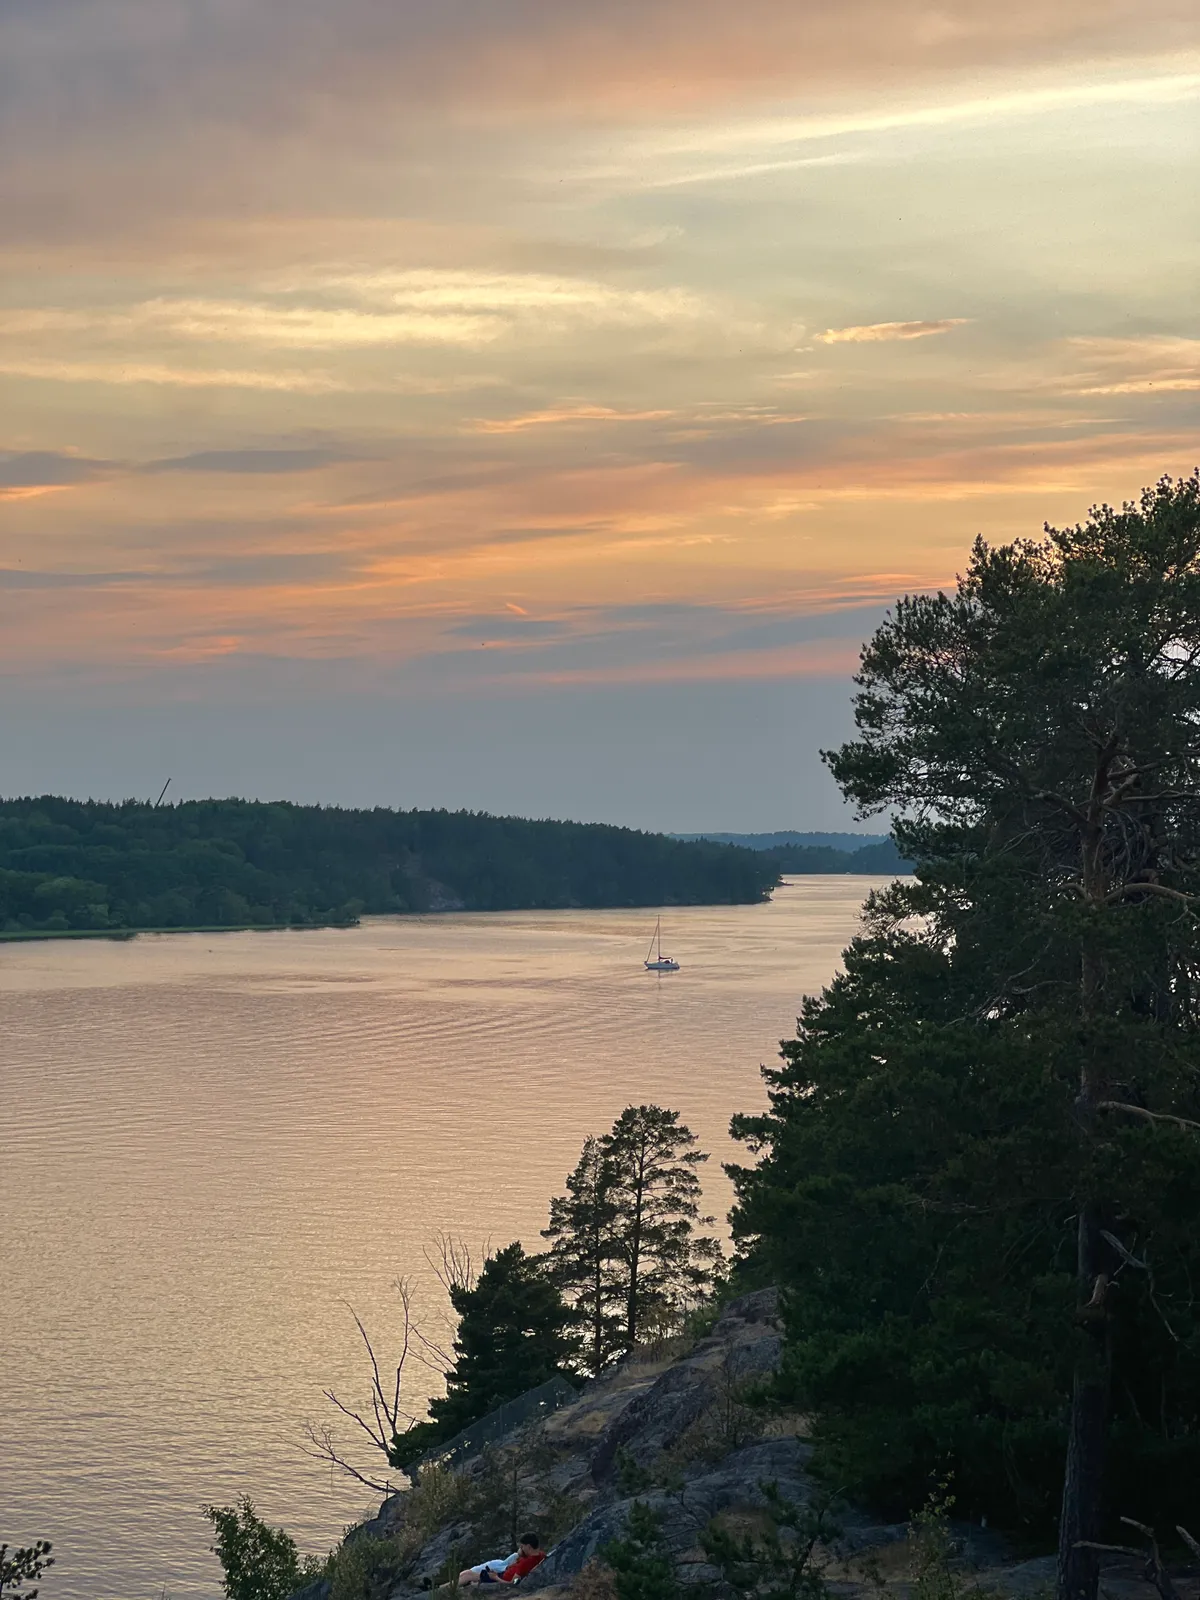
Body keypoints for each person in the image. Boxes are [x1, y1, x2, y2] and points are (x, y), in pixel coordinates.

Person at [459, 1534, 544, 1587]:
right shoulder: (541, 1555)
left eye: (522, 1547)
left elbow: (513, 1583)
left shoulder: (525, 1563)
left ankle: (446, 1590)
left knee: (467, 1575)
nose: (521, 1549)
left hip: (500, 1578)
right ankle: (448, 1587)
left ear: (529, 1547)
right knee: (467, 1574)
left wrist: (495, 1577)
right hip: (502, 1574)